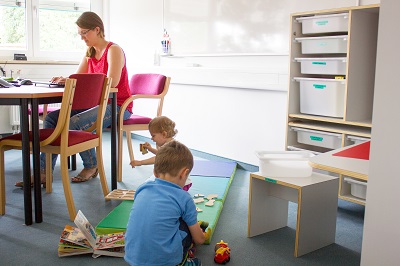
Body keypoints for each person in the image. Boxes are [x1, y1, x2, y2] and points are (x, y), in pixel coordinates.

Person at [15, 11, 132, 187]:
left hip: (118, 106)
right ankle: (44, 172)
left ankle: (92, 166)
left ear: (97, 29)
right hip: (97, 104)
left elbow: (112, 83)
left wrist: (82, 83)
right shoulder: (90, 53)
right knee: (52, 118)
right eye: (80, 34)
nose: (82, 38)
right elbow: (78, 78)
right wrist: (67, 80)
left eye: (84, 33)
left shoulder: (113, 50)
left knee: (72, 122)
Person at [124, 141, 207, 266]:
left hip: (132, 257)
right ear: (184, 173)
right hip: (165, 262)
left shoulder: (142, 189)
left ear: (155, 172)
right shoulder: (184, 198)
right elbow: (199, 240)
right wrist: (202, 235)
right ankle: (184, 262)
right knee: (187, 223)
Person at [130, 116, 192, 191]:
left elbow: (158, 158)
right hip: (174, 180)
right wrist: (150, 149)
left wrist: (140, 162)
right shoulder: (167, 145)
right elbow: (160, 154)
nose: (152, 138)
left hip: (180, 183)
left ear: (164, 134)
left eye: (153, 136)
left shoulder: (171, 146)